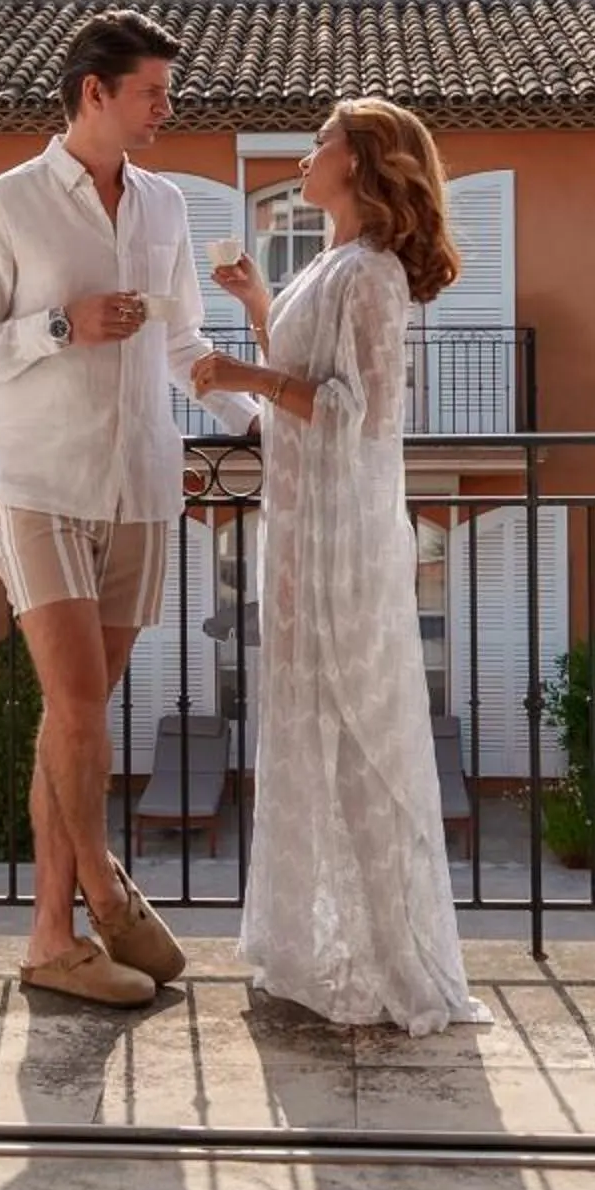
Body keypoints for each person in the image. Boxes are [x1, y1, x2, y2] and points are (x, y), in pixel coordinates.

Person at [0, 8, 257, 1007]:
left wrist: (259, 416)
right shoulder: (6, 203)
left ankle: (54, 938)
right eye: (152, 92)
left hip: (142, 480)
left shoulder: (163, 208)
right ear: (93, 92)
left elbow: (184, 343)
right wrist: (60, 326)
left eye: (167, 92)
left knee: (80, 718)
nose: (167, 108)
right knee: (72, 704)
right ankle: (99, 897)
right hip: (33, 478)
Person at [193, 99, 488, 1035]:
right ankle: (320, 952)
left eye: (322, 141)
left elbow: (357, 412)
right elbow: (306, 376)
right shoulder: (330, 264)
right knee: (308, 727)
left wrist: (241, 376)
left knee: (360, 739)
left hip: (345, 541)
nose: (306, 152)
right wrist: (254, 307)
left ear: (360, 163)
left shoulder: (373, 277)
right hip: (302, 531)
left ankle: (387, 959)